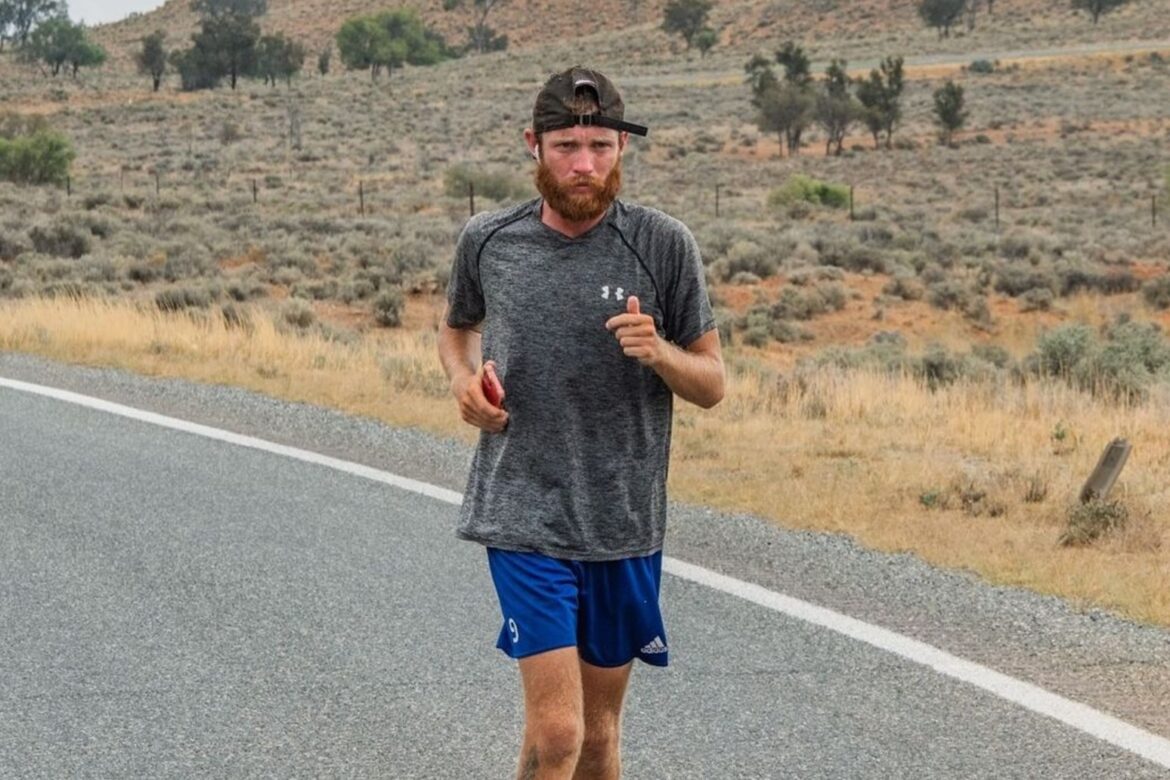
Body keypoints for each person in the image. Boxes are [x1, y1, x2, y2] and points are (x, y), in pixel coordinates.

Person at [438, 66, 725, 780]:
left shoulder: (662, 245)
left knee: (596, 739)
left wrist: (659, 351)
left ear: (622, 147)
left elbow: (713, 383)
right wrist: (462, 382)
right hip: (523, 510)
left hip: (622, 519)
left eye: (601, 144)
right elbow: (456, 329)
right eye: (567, 145)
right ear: (532, 145)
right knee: (560, 732)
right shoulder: (489, 239)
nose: (585, 164)